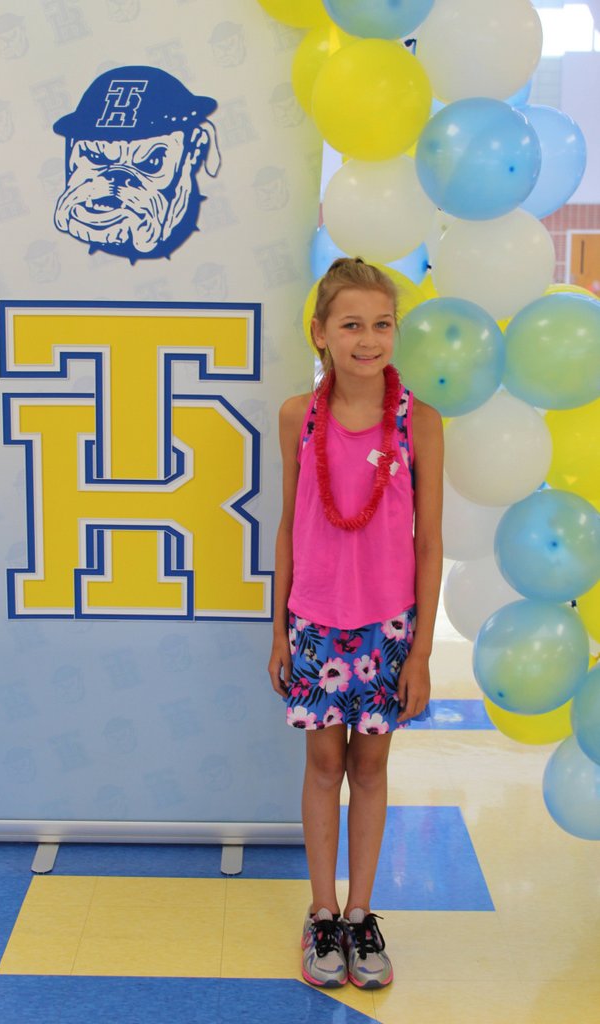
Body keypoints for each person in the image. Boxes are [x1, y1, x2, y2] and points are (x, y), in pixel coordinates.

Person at [268, 257, 443, 990]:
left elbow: (428, 543)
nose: (368, 339)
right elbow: (288, 525)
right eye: (351, 325)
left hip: (386, 631)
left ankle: (361, 915)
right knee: (322, 767)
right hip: (314, 623)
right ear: (320, 334)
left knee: (369, 770)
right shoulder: (296, 416)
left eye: (381, 324)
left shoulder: (419, 422)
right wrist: (278, 630)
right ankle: (321, 913)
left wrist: (420, 653)